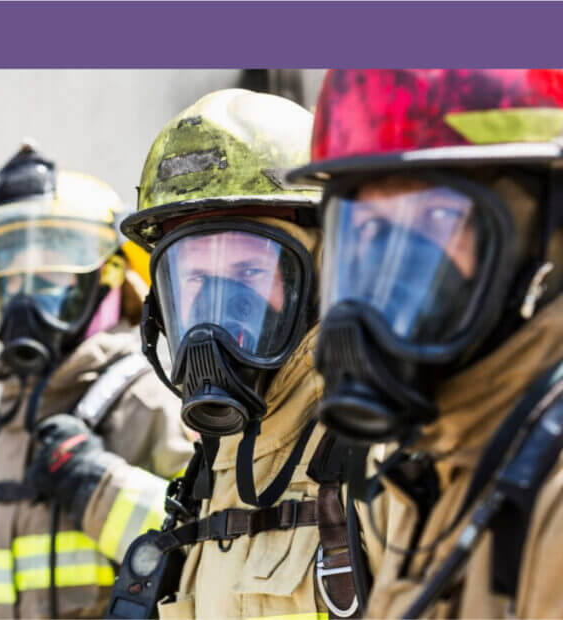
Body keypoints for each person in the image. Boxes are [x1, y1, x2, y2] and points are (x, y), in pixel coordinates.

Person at [27, 90, 399, 619]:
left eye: (249, 273)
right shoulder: (211, 476)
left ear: (329, 271)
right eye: (196, 279)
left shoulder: (384, 462)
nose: (215, 316)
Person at [285, 69, 563, 618]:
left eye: (436, 218)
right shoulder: (436, 472)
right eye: (366, 229)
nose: (392, 269)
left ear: (546, 238)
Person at [0, 142, 193, 619]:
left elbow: (205, 550)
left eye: (50, 279)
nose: (26, 303)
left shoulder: (148, 397)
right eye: (13, 280)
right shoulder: (15, 412)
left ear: (110, 280)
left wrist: (97, 484)